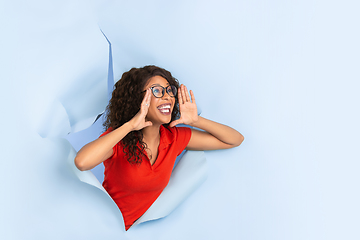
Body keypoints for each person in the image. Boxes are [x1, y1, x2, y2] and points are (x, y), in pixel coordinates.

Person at [74, 65, 244, 230]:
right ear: (137, 100)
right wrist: (131, 125)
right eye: (157, 91)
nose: (167, 97)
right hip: (101, 228)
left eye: (169, 90)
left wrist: (197, 121)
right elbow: (82, 162)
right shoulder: (119, 139)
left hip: (143, 232)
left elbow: (234, 139)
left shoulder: (174, 137)